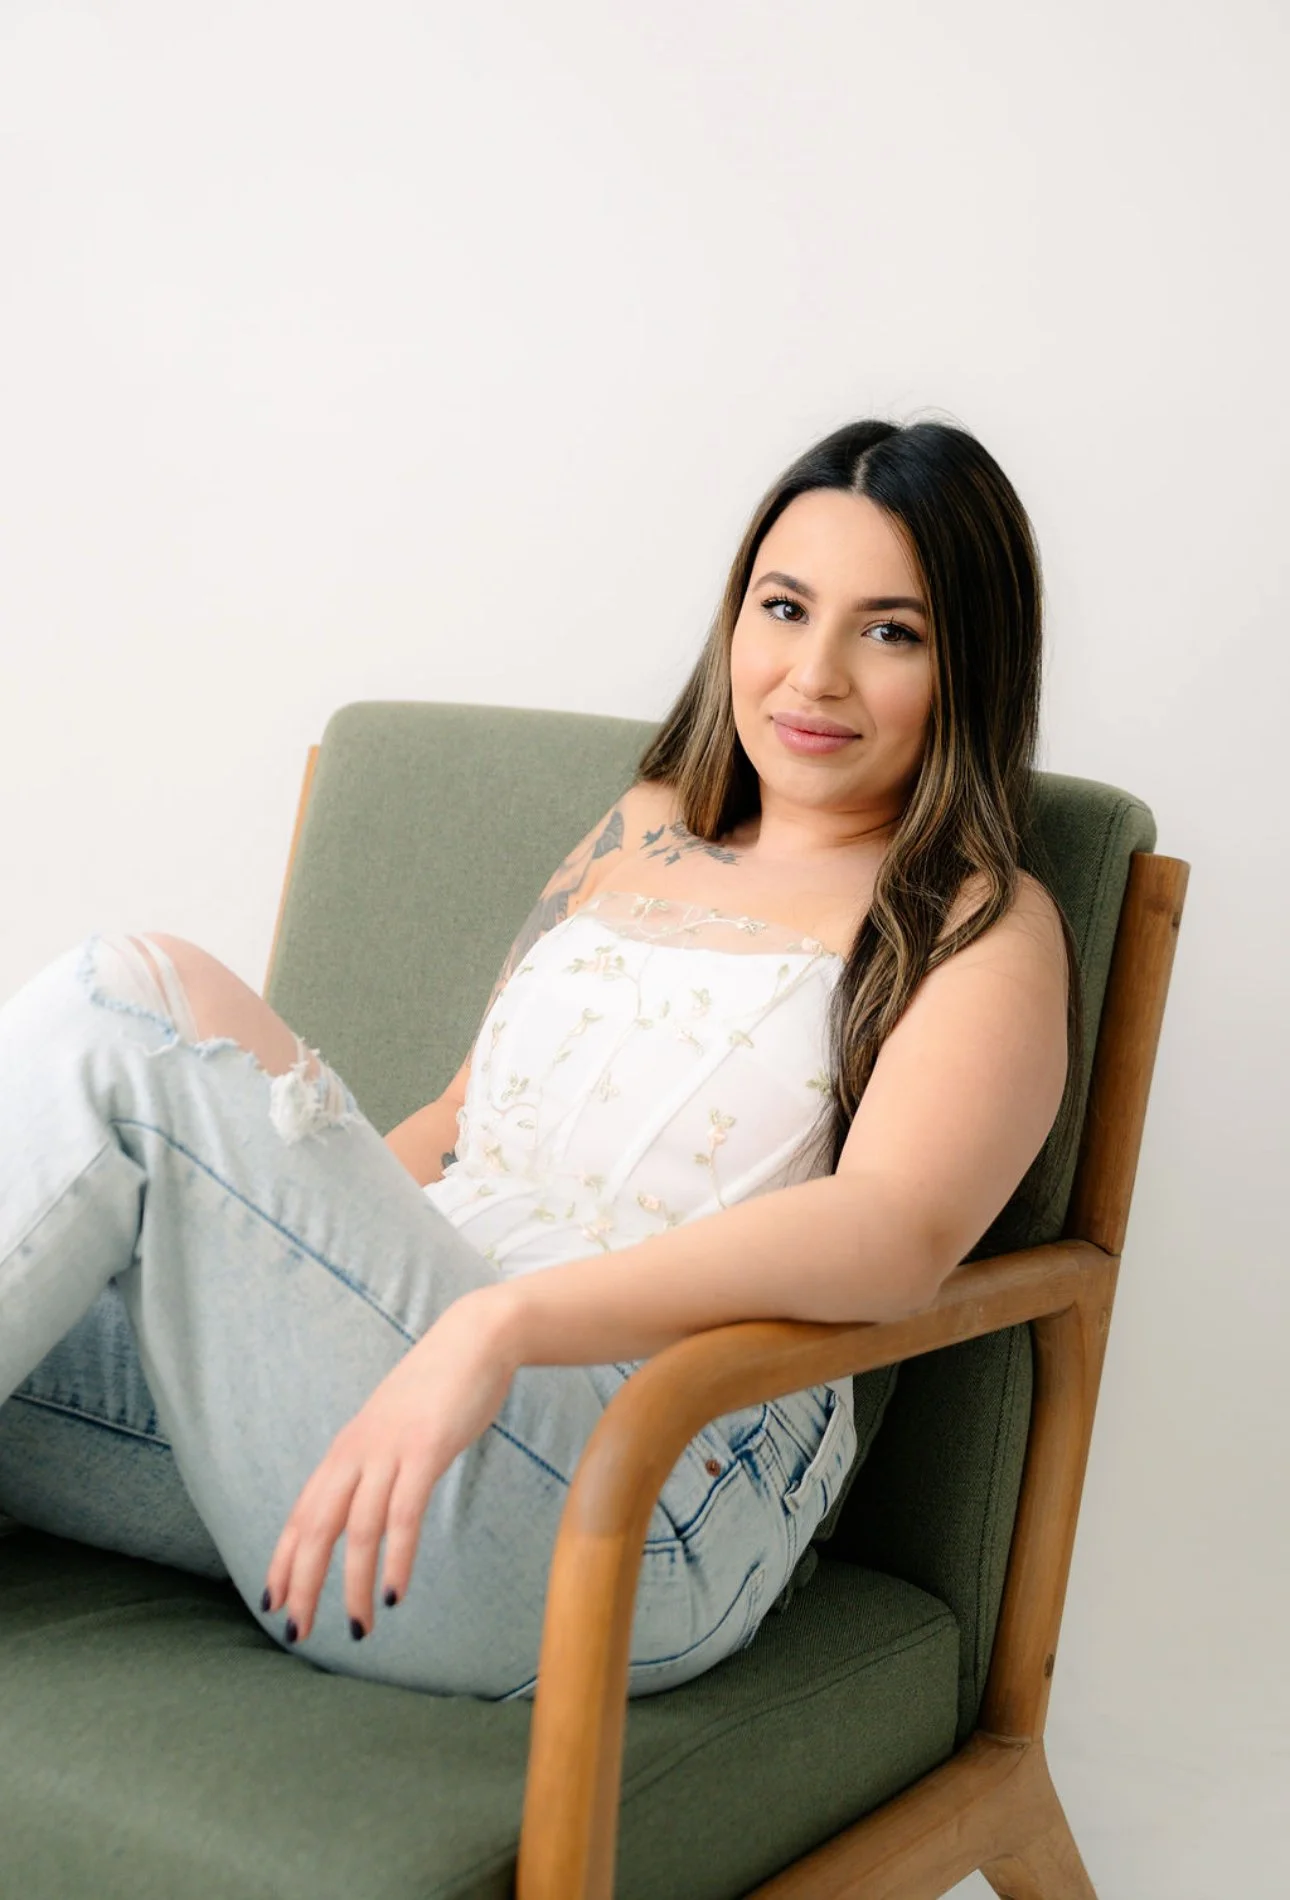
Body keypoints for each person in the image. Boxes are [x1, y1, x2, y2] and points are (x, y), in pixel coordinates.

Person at [0, 416, 1077, 1700]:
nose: (815, 674)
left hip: (638, 1485)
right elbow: (462, 1119)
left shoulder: (980, 917)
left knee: (130, 1000)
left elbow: (894, 1232)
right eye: (785, 608)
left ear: (971, 662)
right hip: (407, 1394)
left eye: (888, 631)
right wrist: (312, 1287)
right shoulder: (645, 826)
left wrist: (501, 1328)